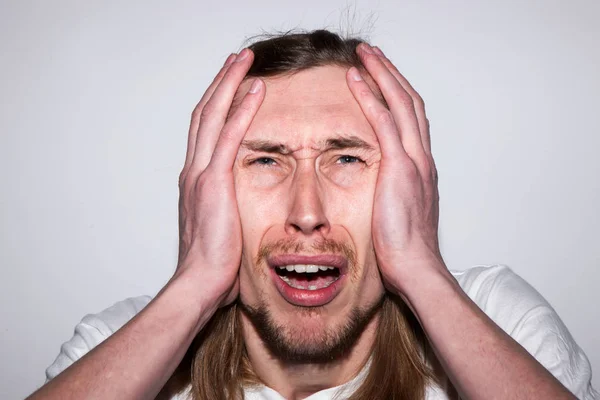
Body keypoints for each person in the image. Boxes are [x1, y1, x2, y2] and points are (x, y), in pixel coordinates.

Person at [27, 29, 598, 400]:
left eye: (346, 157)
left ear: (410, 182)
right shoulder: (122, 347)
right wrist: (195, 285)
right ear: (209, 191)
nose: (307, 213)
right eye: (266, 161)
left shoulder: (498, 321)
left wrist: (423, 271)